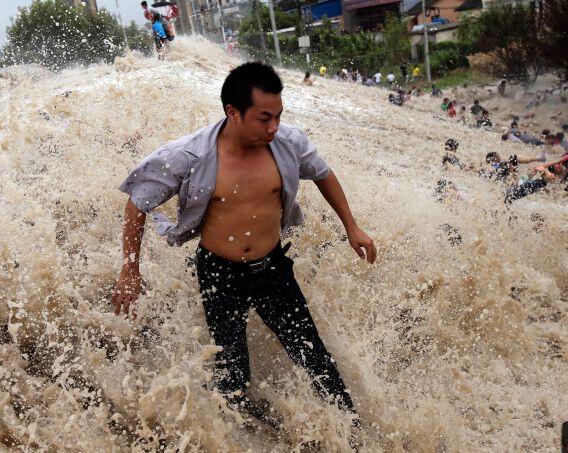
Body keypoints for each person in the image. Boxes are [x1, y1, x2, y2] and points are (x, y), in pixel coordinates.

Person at [113, 62, 376, 429]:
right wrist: (130, 268)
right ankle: (243, 435)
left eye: (279, 117)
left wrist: (352, 227)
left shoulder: (287, 144)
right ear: (232, 112)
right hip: (220, 275)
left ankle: (354, 434)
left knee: (316, 359)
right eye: (264, 118)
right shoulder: (189, 155)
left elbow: (323, 174)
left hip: (272, 270)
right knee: (234, 375)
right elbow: (137, 202)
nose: (274, 127)